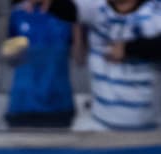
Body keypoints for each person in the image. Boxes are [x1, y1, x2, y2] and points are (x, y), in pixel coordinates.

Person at [41, 0, 161, 130]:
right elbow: (66, 8)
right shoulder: (97, 7)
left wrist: (129, 49)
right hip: (100, 126)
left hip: (147, 130)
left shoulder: (155, 12)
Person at [2, 0, 77, 128]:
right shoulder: (17, 14)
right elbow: (10, 59)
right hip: (22, 106)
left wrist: (77, 21)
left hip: (59, 106)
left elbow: (79, 57)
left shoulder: (69, 14)